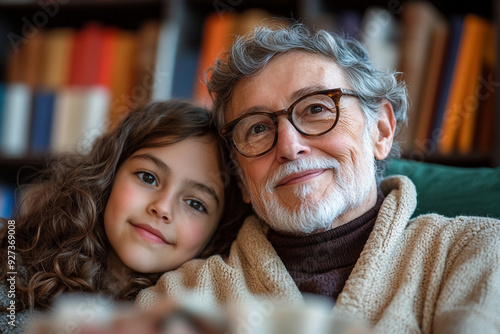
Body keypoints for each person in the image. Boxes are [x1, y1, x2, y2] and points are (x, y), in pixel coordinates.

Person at [136, 24, 500, 333]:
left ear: (381, 131)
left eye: (316, 109)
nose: (290, 146)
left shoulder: (475, 251)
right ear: (242, 179)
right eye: (258, 128)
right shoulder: (182, 294)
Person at [0, 100, 250, 333]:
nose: (162, 208)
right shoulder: (10, 263)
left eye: (195, 203)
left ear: (217, 230)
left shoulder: (196, 316)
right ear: (109, 176)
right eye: (148, 177)